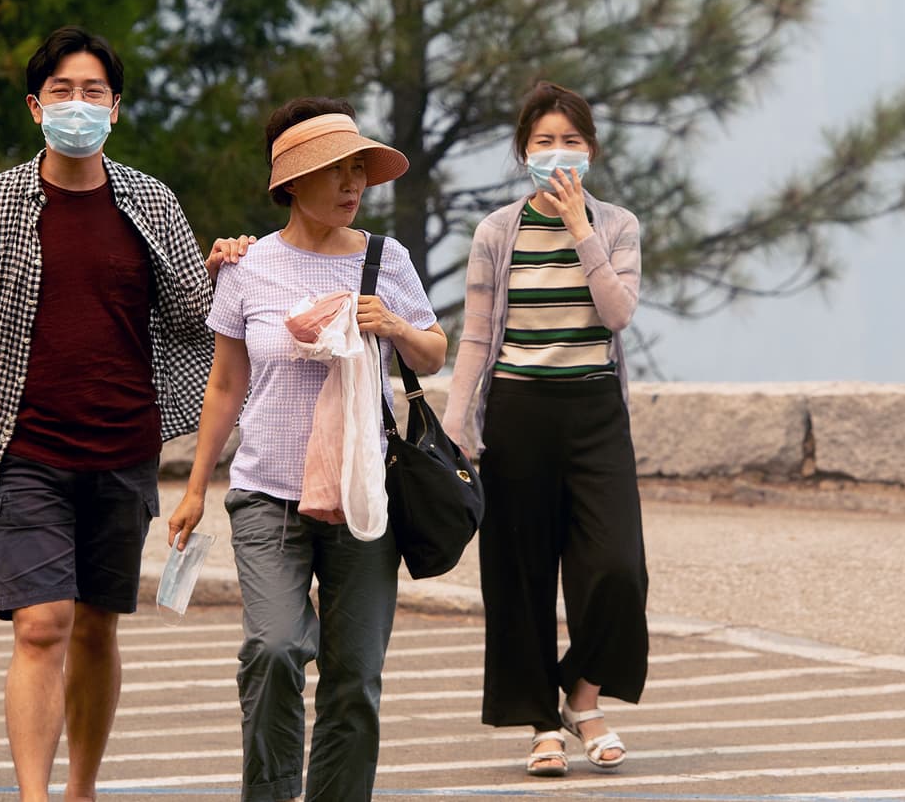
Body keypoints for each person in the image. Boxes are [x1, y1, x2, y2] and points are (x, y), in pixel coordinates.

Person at [0, 26, 250, 801]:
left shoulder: (151, 200)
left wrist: (220, 260)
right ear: (36, 107)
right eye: (62, 91)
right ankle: (37, 796)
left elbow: (192, 316)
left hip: (124, 447)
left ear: (116, 109)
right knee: (41, 624)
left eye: (92, 91)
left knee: (98, 627)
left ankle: (81, 790)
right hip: (24, 445)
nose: (77, 104)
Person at [167, 97, 446, 802]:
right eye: (335, 172)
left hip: (361, 494)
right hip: (266, 493)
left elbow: (435, 350)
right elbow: (226, 384)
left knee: (355, 678)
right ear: (290, 182)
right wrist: (197, 487)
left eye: (359, 171)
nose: (353, 186)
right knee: (275, 647)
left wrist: (399, 330)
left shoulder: (387, 260)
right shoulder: (246, 266)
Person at [442, 81, 649, 777]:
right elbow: (475, 339)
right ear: (522, 150)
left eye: (571, 141)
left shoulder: (617, 225)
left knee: (619, 569)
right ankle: (543, 722)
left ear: (591, 149)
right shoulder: (497, 232)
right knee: (520, 576)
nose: (557, 153)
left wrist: (581, 231)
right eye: (543, 142)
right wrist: (455, 422)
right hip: (517, 410)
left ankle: (582, 694)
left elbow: (618, 314)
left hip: (595, 412)